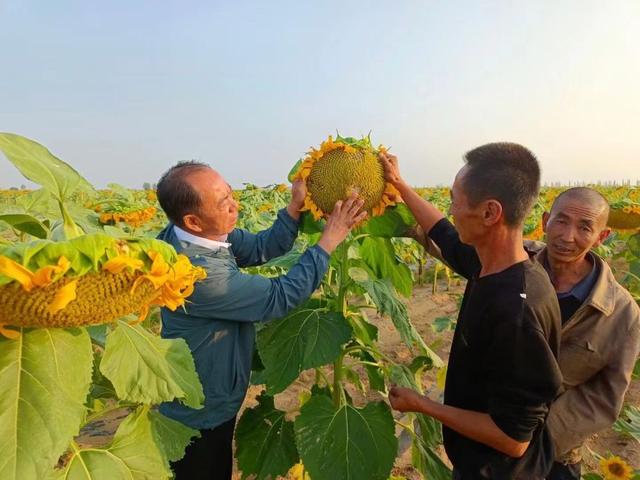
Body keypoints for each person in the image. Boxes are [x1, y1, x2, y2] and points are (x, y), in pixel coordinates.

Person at [155, 161, 367, 480]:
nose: (234, 205)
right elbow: (280, 297)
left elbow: (261, 247)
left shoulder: (191, 235)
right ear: (193, 221)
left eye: (230, 194)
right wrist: (329, 240)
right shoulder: (197, 273)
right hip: (197, 411)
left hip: (209, 390)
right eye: (223, 202)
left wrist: (295, 206)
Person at [381, 143, 563, 479]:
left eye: (454, 200)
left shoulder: (516, 312)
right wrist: (399, 184)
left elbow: (512, 439)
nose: (450, 209)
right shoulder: (494, 263)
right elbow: (445, 234)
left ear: (490, 213)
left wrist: (423, 405)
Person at [527, 187, 640, 480]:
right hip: (485, 433)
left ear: (602, 237)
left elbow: (604, 396)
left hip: (554, 455)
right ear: (544, 221)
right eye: (561, 221)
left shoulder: (622, 312)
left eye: (585, 227)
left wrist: (533, 440)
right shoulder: (515, 261)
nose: (567, 236)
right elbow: (459, 246)